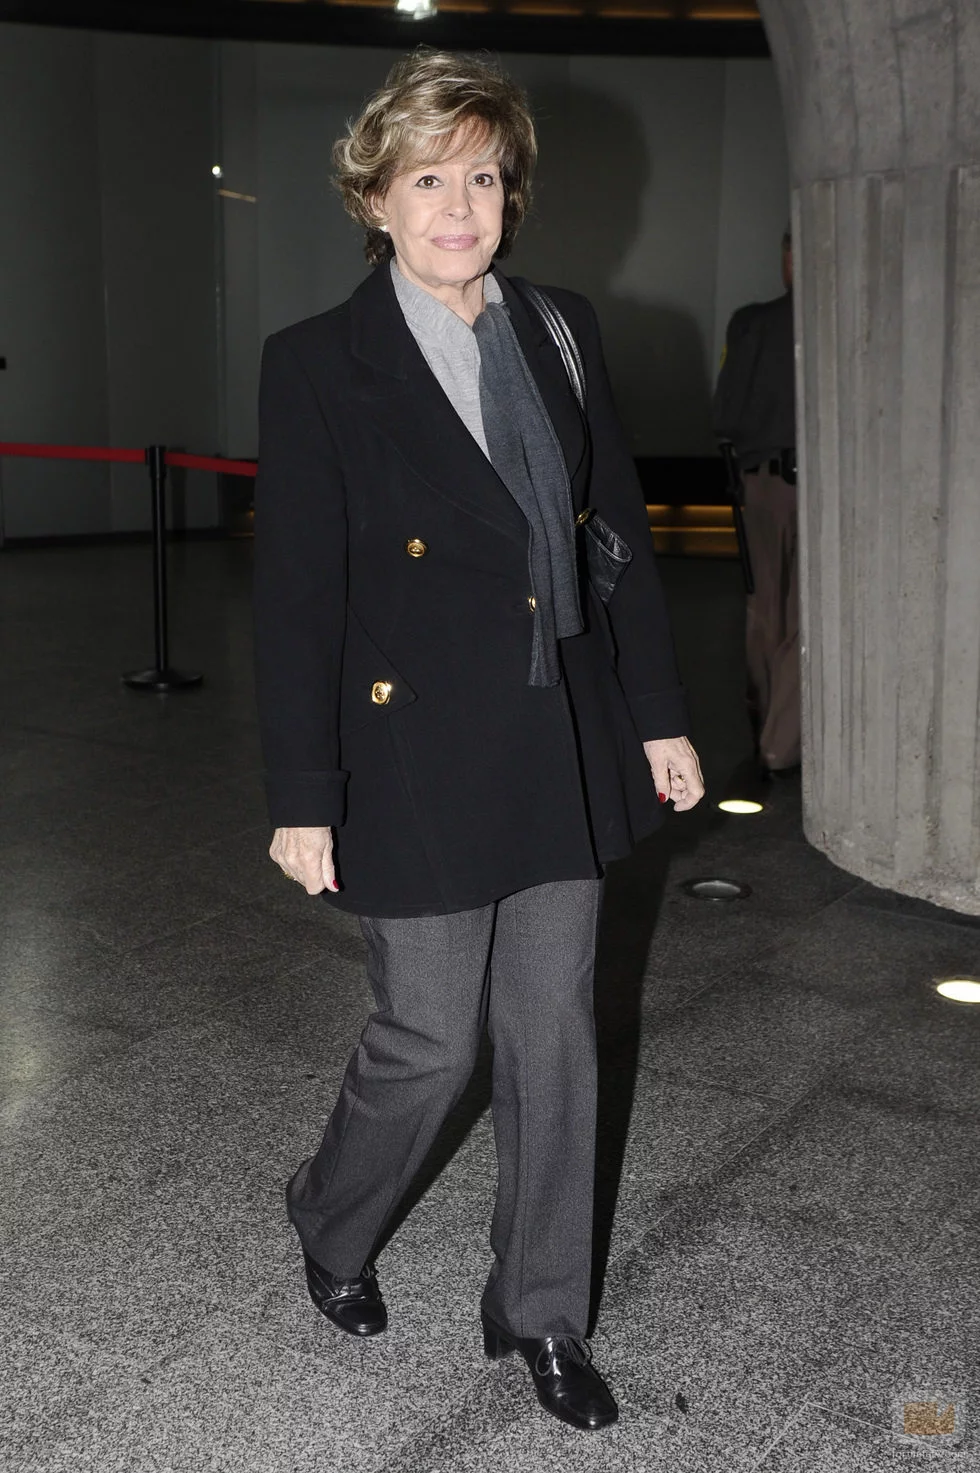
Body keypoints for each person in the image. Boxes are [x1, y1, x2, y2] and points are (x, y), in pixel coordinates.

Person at [253, 49, 704, 1433]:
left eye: (485, 177)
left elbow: (614, 539)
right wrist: (303, 794)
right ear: (374, 201)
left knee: (553, 1034)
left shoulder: (559, 329)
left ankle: (540, 1309)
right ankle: (333, 1215)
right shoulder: (317, 362)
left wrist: (657, 715)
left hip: (556, 729)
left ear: (512, 194)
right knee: (431, 1041)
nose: (460, 207)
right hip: (413, 751)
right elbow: (300, 596)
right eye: (428, 180)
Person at [712, 227, 799, 776]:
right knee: (804, 616)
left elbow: (727, 413)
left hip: (764, 482)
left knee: (765, 609)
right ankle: (781, 741)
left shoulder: (753, 324)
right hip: (828, 488)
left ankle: (768, 732)